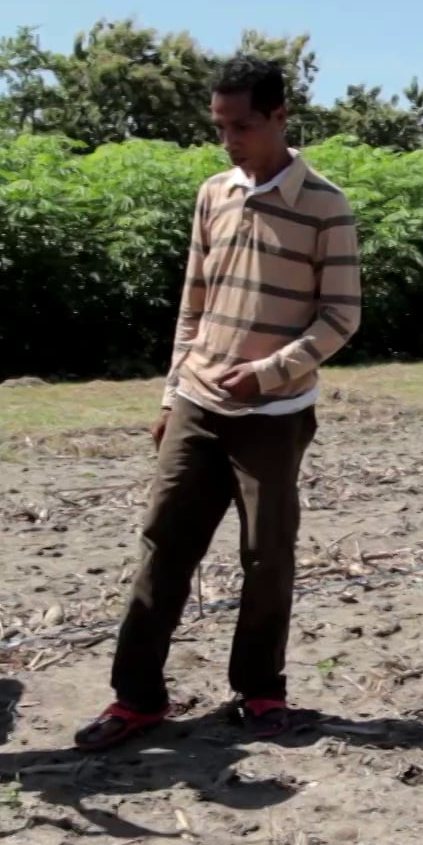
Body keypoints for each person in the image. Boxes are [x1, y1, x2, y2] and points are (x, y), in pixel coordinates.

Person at [74, 55, 361, 751]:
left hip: (275, 416)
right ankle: (136, 699)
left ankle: (259, 691)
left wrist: (269, 373)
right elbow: (193, 304)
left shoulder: (326, 205)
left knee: (267, 556)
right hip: (198, 406)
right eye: (220, 126)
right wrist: (172, 394)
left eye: (242, 126)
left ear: (279, 117)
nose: (229, 140)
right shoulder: (213, 194)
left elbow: (341, 316)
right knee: (163, 546)